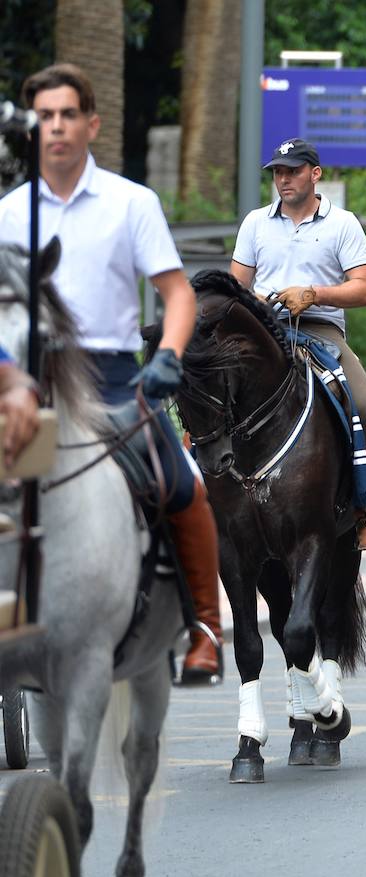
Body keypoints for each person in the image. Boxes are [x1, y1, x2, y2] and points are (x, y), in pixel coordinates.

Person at [0, 63, 223, 680]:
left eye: (68, 114)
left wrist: (168, 358)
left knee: (184, 485)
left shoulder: (132, 203)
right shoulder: (10, 213)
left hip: (114, 380)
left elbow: (178, 295)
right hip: (25, 381)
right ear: (32, 129)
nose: (56, 127)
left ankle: (206, 625)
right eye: (44, 116)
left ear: (91, 123)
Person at [229, 136, 366, 550]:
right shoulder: (255, 223)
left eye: (293, 171)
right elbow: (234, 287)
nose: (284, 179)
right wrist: (253, 301)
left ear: (315, 174)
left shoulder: (343, 223)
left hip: (320, 329)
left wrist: (314, 293)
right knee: (210, 393)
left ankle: (365, 514)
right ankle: (208, 499)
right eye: (278, 172)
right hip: (262, 328)